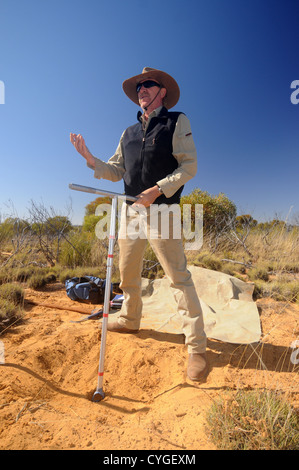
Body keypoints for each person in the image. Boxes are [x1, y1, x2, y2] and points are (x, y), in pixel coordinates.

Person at [70, 67, 208, 381]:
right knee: (127, 272)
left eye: (147, 85)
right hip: (130, 211)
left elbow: (190, 166)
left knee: (178, 277)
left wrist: (158, 189)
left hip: (163, 211)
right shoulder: (128, 134)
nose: (141, 89)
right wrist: (91, 159)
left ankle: (197, 347)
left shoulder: (176, 122)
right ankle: (130, 319)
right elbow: (116, 170)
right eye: (138, 87)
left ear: (162, 91)